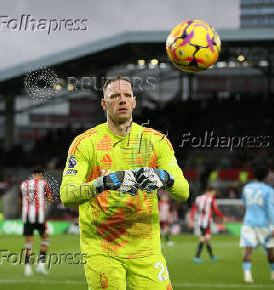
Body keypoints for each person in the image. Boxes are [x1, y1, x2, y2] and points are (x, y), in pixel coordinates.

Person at [60, 76, 189, 290]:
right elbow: (67, 195)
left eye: (127, 95)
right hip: (102, 247)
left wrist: (165, 178)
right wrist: (104, 182)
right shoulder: (86, 143)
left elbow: (183, 192)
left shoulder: (156, 141)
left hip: (146, 249)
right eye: (115, 96)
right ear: (104, 104)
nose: (122, 100)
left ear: (134, 102)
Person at [240, 166, 274, 283]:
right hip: (264, 223)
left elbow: (244, 203)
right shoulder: (269, 190)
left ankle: (247, 276)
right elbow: (270, 208)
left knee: (248, 250)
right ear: (266, 176)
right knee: (270, 249)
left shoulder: (246, 188)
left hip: (248, 222)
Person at [20, 168, 52, 276]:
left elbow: (21, 198)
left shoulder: (24, 184)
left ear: (33, 175)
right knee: (45, 239)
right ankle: (41, 265)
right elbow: (50, 198)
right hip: (39, 217)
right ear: (41, 175)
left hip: (27, 216)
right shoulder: (43, 183)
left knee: (28, 243)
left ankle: (27, 268)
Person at [189, 184, 224, 263]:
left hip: (200, 221)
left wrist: (191, 219)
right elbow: (215, 209)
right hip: (205, 222)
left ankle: (212, 257)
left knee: (207, 239)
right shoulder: (211, 199)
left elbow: (194, 208)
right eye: (214, 192)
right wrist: (222, 216)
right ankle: (197, 257)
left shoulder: (198, 198)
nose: (214, 194)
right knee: (203, 238)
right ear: (211, 191)